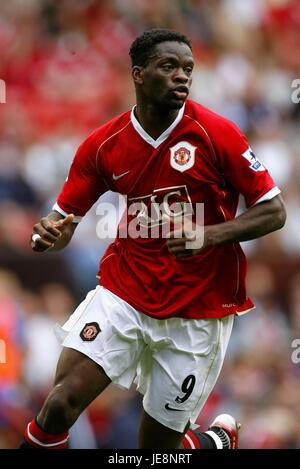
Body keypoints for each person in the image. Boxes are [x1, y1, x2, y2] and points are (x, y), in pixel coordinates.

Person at [20, 29, 286, 450]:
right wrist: (49, 234)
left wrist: (209, 235)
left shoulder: (218, 134)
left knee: (155, 452)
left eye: (188, 69)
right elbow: (59, 223)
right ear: (138, 75)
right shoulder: (103, 144)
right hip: (125, 293)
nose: (182, 77)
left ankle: (210, 442)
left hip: (198, 309)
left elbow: (275, 211)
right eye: (169, 67)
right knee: (58, 405)